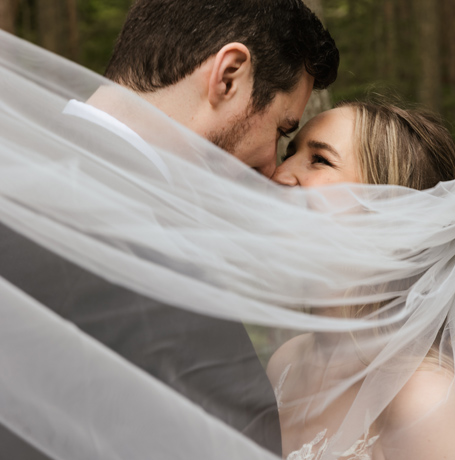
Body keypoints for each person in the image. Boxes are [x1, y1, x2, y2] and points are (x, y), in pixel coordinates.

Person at [0, 0, 338, 458]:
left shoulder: (19, 158)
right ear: (229, 75)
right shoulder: (157, 259)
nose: (271, 168)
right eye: (281, 129)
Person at [268, 102, 455, 459]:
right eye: (290, 152)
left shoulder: (421, 397)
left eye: (320, 160)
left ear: (389, 205)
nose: (280, 174)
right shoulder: (285, 362)